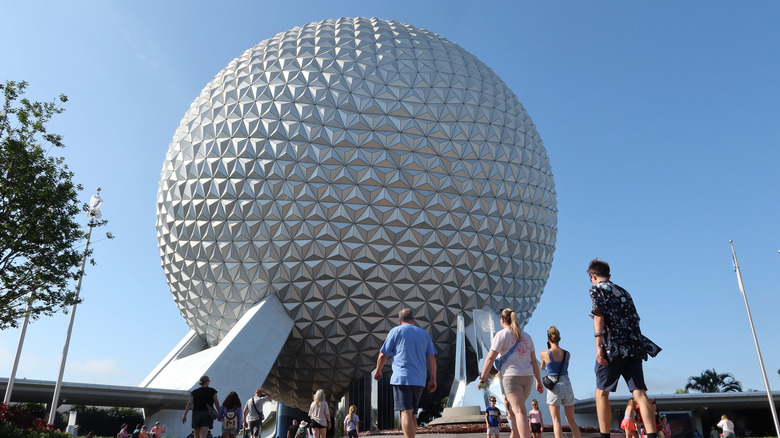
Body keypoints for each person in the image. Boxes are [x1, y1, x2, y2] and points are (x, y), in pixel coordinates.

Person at [588, 259, 660, 438]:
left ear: (593, 276)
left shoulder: (596, 289)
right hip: (634, 345)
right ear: (609, 275)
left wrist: (599, 346)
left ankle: (605, 435)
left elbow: (599, 316)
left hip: (613, 347)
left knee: (601, 393)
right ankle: (651, 435)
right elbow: (635, 319)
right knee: (640, 393)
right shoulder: (624, 292)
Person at [479, 308, 543, 438]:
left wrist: (483, 377)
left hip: (510, 377)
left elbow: (491, 357)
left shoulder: (502, 335)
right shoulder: (527, 336)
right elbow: (534, 362)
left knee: (519, 411)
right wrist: (538, 381)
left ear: (502, 319)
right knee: (515, 412)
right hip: (527, 378)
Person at [374, 308, 438, 438]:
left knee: (405, 412)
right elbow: (432, 358)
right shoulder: (424, 334)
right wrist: (433, 379)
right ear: (413, 319)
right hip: (419, 379)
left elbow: (383, 355)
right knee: (413, 414)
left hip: (402, 378)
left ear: (399, 320)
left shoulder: (395, 331)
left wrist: (378, 370)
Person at [539, 326, 581, 438]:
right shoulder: (567, 354)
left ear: (549, 339)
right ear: (559, 339)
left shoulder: (544, 353)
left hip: (554, 385)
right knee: (571, 420)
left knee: (556, 420)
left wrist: (546, 350)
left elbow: (543, 367)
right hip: (567, 383)